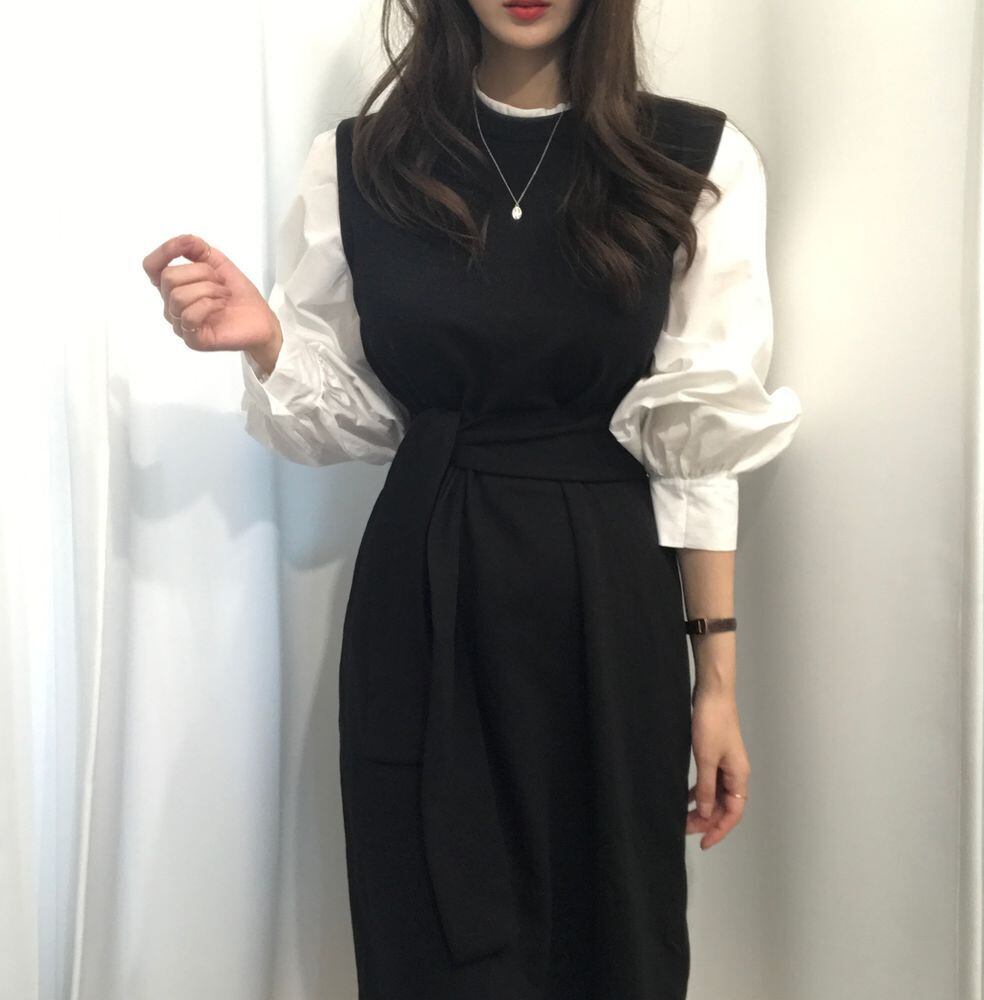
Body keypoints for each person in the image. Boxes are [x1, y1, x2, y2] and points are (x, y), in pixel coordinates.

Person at [142, 0, 802, 995]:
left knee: (611, 930)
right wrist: (269, 341)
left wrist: (716, 684)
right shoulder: (363, 164)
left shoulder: (689, 161)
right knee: (431, 928)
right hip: (426, 588)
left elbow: (696, 441)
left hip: (609, 595)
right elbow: (359, 422)